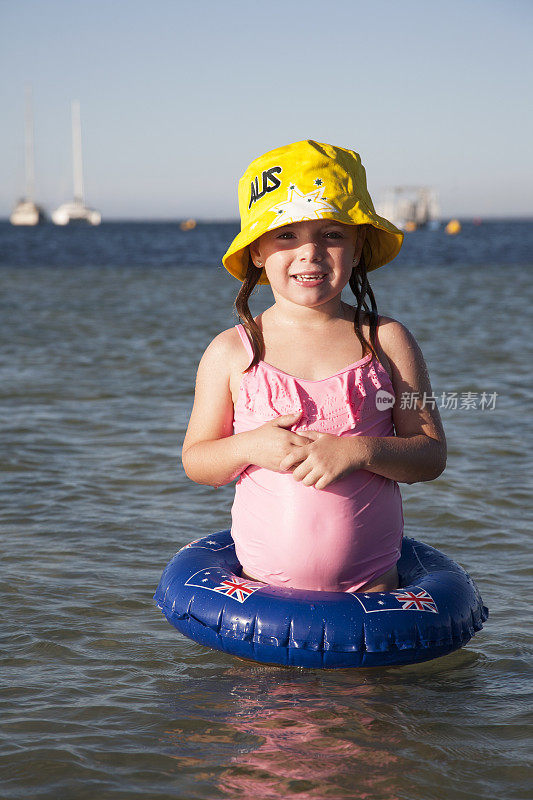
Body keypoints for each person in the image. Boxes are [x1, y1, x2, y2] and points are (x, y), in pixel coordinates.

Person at [182, 140, 446, 593]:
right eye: (286, 235)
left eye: (332, 234)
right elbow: (198, 461)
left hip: (374, 593)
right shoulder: (231, 352)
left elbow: (430, 454)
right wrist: (249, 447)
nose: (310, 253)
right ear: (257, 252)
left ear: (359, 246)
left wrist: (361, 451)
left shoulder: (388, 341)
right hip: (261, 595)